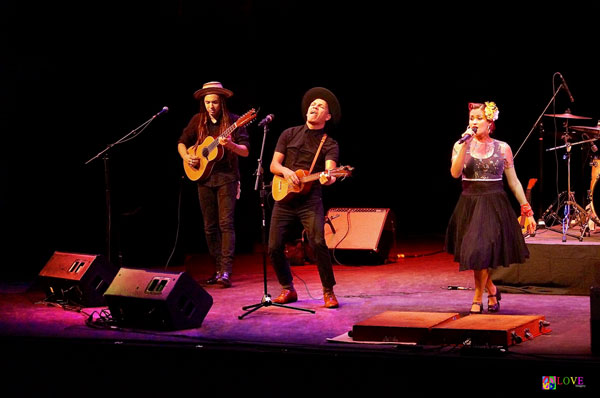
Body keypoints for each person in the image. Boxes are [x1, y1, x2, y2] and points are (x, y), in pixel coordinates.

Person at [446, 101, 535, 314]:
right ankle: (492, 290)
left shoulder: (503, 148)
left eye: (479, 118)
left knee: (482, 249)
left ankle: (477, 297)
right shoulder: (460, 145)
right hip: (470, 202)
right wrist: (464, 146)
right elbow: (455, 173)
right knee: (477, 252)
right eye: (471, 118)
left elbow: (513, 181)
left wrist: (526, 208)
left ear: (490, 122)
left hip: (494, 203)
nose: (474, 122)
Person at [268, 87, 342, 308]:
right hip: (284, 196)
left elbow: (331, 173)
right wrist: (286, 172)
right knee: (273, 246)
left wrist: (329, 178)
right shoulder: (288, 133)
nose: (313, 107)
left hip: (310, 199)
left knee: (318, 242)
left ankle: (328, 291)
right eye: (312, 104)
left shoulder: (329, 143)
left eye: (320, 106)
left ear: (327, 116)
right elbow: (274, 165)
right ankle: (287, 288)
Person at [178, 81, 250, 288]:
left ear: (222, 103)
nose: (211, 106)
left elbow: (245, 151)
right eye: (208, 102)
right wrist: (187, 158)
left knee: (225, 224)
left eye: (215, 102)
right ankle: (217, 269)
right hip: (203, 178)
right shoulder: (197, 120)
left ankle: (226, 271)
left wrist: (232, 145)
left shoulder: (235, 122)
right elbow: (182, 142)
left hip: (227, 178)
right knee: (209, 227)